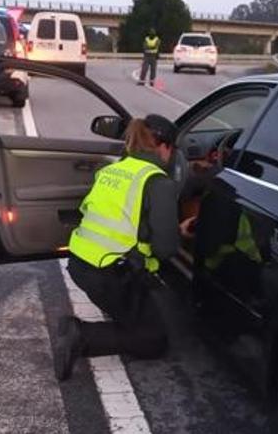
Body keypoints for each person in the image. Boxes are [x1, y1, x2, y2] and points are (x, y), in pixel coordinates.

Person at [54, 114, 194, 380]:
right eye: (174, 149)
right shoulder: (159, 183)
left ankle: (121, 313)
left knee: (137, 313)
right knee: (153, 340)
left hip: (81, 264)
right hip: (111, 275)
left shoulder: (110, 171)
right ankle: (80, 335)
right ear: (164, 146)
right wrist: (177, 234)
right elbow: (165, 250)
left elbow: (124, 224)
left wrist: (172, 230)